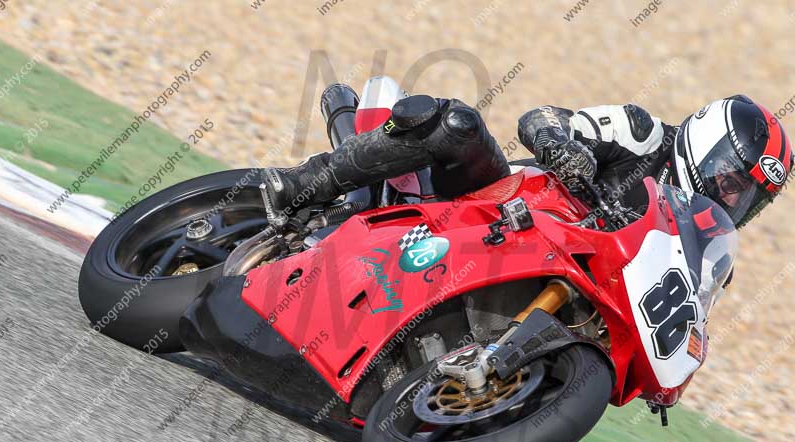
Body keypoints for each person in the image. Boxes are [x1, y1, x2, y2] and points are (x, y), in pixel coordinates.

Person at [261, 93, 792, 229]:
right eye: (730, 181)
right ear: (706, 143)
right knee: (458, 124)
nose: (731, 199)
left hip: (556, 282)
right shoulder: (642, 135)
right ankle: (305, 182)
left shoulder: (701, 242)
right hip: (496, 203)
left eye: (746, 198)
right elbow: (542, 118)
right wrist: (564, 148)